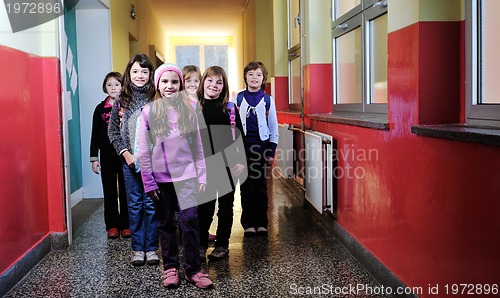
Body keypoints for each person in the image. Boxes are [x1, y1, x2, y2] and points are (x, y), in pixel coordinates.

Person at [138, 63, 213, 289]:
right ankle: (170, 267)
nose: (169, 86)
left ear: (180, 84)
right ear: (158, 84)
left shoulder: (191, 109)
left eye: (174, 81)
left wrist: (202, 176)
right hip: (160, 180)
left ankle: (194, 269)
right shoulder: (149, 111)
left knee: (189, 220)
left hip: (187, 176)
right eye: (165, 81)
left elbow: (199, 145)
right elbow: (143, 150)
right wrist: (149, 181)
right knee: (166, 223)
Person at [108, 53, 159, 266]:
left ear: (150, 74)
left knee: (151, 204)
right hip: (128, 163)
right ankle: (138, 248)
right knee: (135, 205)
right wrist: (125, 153)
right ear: (129, 73)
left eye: (144, 71)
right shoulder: (122, 100)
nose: (140, 75)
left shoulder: (156, 98)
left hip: (152, 163)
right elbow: (113, 131)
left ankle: (152, 248)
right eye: (135, 71)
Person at [196, 66, 246, 261]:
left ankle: (222, 244)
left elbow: (240, 137)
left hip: (229, 165)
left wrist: (241, 161)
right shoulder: (195, 108)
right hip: (204, 166)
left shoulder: (230, 109)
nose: (214, 85)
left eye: (219, 82)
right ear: (203, 82)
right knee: (205, 207)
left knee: (225, 206)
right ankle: (200, 244)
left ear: (224, 86)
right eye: (210, 80)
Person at [232, 61, 278, 237]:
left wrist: (271, 152)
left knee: (260, 188)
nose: (254, 78)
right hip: (242, 150)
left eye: (258, 74)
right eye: (250, 74)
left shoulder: (267, 100)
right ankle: (249, 223)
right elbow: (233, 127)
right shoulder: (237, 99)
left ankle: (261, 222)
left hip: (261, 149)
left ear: (263, 78)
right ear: (245, 77)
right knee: (246, 187)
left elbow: (273, 128)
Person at [90, 72, 130, 239]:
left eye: (117, 84)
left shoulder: (127, 107)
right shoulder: (100, 109)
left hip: (124, 155)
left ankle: (126, 224)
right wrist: (94, 158)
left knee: (125, 190)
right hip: (106, 155)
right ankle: (112, 225)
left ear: (123, 87)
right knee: (110, 191)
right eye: (109, 85)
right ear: (105, 88)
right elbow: (94, 134)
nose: (113, 88)